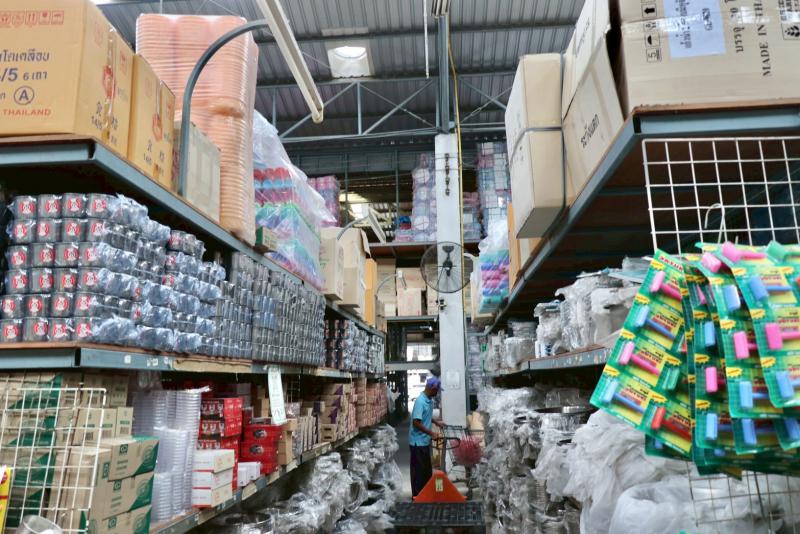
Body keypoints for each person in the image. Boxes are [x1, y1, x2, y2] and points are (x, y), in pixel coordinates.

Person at [408, 376, 444, 499]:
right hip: (417, 442)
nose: (437, 393)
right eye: (436, 390)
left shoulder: (429, 400)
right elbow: (416, 422)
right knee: (418, 471)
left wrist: (436, 422)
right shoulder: (420, 401)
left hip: (424, 441)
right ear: (431, 388)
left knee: (426, 471)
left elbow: (426, 415)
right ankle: (417, 496)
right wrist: (431, 433)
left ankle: (425, 493)